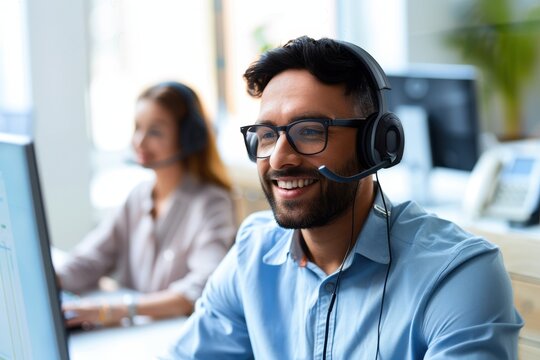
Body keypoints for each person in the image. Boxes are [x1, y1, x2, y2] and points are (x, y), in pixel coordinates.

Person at [164, 37, 523, 359]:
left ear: (375, 145)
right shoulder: (252, 254)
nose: (278, 159)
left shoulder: (457, 274)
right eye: (267, 134)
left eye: (309, 132)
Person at [56, 81, 237, 328]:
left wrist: (113, 310)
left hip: (176, 336)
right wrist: (47, 279)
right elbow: (91, 258)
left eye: (155, 131)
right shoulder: (138, 197)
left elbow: (200, 287)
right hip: (136, 334)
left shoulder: (211, 203)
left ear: (188, 138)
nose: (139, 141)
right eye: (138, 128)